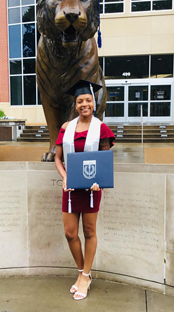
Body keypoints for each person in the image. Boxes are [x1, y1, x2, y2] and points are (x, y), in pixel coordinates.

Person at [55, 79, 115, 301]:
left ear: (94, 102)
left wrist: (100, 179)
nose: (84, 104)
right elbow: (58, 158)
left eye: (88, 100)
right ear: (75, 104)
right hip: (70, 188)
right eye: (80, 101)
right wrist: (65, 176)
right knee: (70, 233)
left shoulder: (101, 128)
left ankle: (85, 275)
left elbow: (105, 160)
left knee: (89, 232)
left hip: (92, 188)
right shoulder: (66, 127)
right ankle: (83, 272)